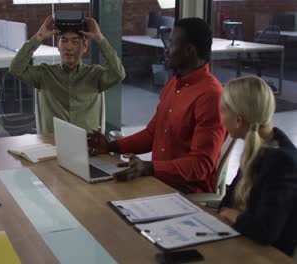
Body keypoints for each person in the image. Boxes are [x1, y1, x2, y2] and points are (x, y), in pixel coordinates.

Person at [88, 17, 226, 194]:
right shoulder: (174, 83)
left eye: (172, 45)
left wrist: (149, 168)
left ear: (189, 50)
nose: (166, 51)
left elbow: (201, 166)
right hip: (159, 181)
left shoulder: (211, 95)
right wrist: (109, 146)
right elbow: (152, 134)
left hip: (184, 191)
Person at [218, 76, 297, 256]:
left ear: (238, 120)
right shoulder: (258, 146)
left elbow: (266, 231)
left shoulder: (282, 163)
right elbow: (227, 204)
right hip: (241, 243)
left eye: (223, 111)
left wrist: (235, 216)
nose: (221, 120)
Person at [10, 15, 125, 133]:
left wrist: (100, 39)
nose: (69, 47)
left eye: (75, 42)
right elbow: (15, 69)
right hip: (52, 144)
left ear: (85, 46)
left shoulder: (94, 74)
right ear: (58, 47)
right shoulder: (45, 73)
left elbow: (118, 74)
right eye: (64, 41)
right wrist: (39, 37)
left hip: (87, 145)